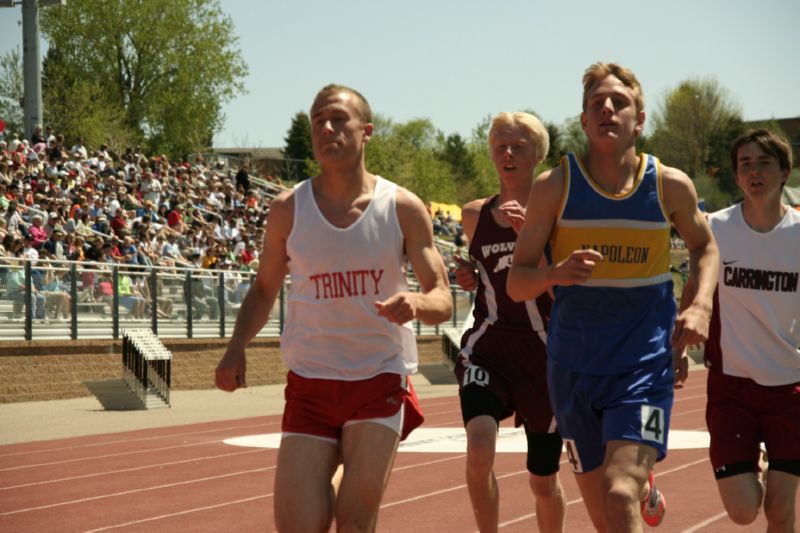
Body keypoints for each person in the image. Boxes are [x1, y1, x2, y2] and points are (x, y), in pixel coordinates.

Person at [215, 84, 452, 532]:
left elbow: (442, 295)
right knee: (298, 525)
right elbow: (264, 289)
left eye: (338, 119)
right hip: (311, 381)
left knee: (354, 522)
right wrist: (235, 347)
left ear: (367, 132)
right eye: (318, 120)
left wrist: (418, 302)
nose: (326, 127)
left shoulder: (401, 207)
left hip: (378, 377)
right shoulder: (288, 209)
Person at [507, 62, 719, 532]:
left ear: (639, 120)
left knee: (619, 493)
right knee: (607, 516)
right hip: (574, 369)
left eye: (619, 102)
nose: (607, 108)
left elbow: (705, 247)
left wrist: (699, 304)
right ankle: (644, 485)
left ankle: (637, 481)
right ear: (583, 121)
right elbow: (517, 281)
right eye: (596, 104)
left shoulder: (669, 186)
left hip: (643, 367)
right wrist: (555, 273)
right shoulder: (555, 187)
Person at [681, 129, 799, 531]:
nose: (754, 172)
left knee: (780, 509)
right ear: (736, 176)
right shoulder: (715, 229)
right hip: (733, 387)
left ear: (785, 171)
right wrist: (678, 349)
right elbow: (694, 288)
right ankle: (756, 464)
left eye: (764, 162)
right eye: (745, 164)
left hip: (792, 388)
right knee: (744, 511)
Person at [453, 112, 566, 532]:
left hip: (546, 356)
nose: (508, 153)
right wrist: (468, 276)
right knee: (479, 448)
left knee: (543, 479)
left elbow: (565, 292)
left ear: (537, 155)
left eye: (519, 146)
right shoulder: (473, 215)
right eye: (500, 144)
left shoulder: (559, 216)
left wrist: (531, 241)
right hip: (491, 346)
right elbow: (483, 274)